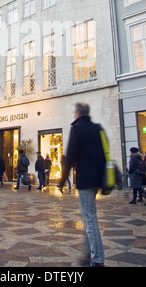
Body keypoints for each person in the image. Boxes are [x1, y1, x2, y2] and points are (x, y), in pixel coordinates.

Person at [59, 102, 105, 267]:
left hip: (85, 179)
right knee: (89, 216)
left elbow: (70, 157)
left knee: (90, 218)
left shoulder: (77, 128)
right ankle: (87, 253)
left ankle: (98, 259)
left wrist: (62, 181)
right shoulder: (97, 128)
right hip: (97, 180)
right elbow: (104, 154)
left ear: (78, 114)